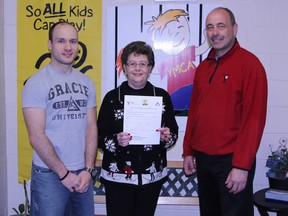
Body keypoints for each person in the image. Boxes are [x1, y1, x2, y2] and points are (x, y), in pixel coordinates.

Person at [182, 7, 268, 216]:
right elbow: (194, 112)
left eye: (221, 26)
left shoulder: (250, 65)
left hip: (231, 161)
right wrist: (188, 151)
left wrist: (241, 166)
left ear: (234, 28)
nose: (215, 32)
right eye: (210, 27)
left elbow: (253, 120)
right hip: (203, 159)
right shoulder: (203, 68)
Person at [22, 21, 98, 216]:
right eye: (61, 41)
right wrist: (64, 174)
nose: (68, 47)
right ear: (50, 44)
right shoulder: (36, 83)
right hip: (49, 174)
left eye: (73, 41)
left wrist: (88, 170)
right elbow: (36, 136)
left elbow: (91, 128)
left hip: (82, 173)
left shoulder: (87, 83)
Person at [98, 41, 178, 216]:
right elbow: (98, 137)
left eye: (143, 64)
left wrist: (167, 137)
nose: (137, 68)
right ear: (124, 68)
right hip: (118, 178)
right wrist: (116, 141)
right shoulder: (112, 98)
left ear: (150, 68)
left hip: (151, 178)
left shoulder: (162, 97)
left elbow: (173, 132)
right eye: (132, 63)